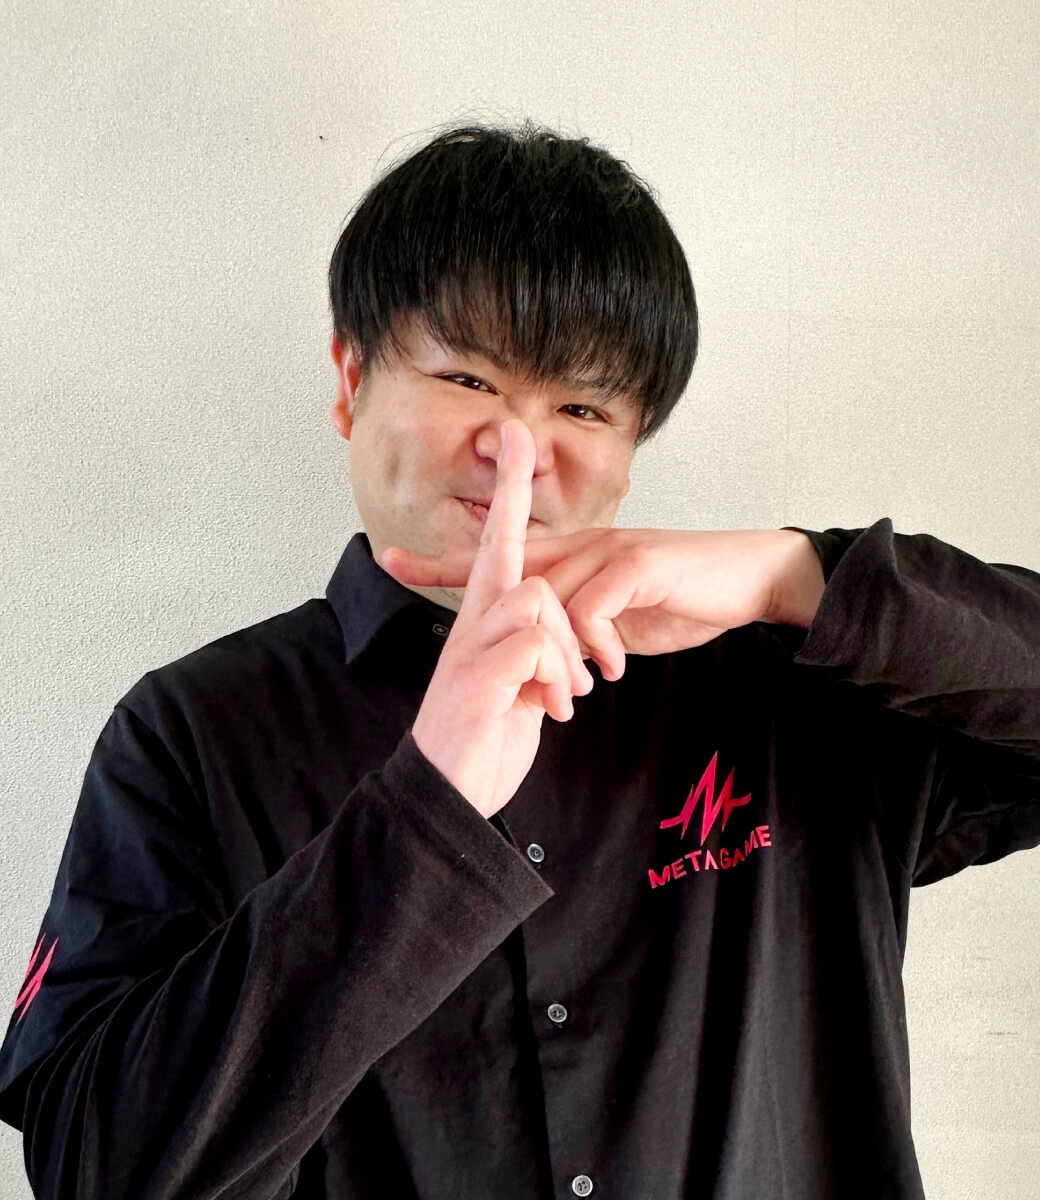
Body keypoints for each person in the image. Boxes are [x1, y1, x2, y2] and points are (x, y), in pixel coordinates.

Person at [1, 119, 1037, 1200]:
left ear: (631, 451)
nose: (518, 450)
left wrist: (798, 578)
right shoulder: (193, 731)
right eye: (465, 377)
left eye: (582, 406)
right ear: (350, 381)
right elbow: (98, 1168)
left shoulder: (790, 683)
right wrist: (424, 812)